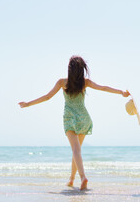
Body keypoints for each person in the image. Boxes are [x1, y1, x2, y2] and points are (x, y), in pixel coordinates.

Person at [18, 56, 130, 190]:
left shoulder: (62, 82)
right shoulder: (85, 82)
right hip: (83, 118)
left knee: (76, 150)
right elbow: (103, 88)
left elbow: (47, 97)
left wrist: (28, 104)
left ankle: (82, 177)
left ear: (69, 69)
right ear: (82, 69)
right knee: (77, 151)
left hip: (70, 118)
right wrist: (121, 92)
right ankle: (71, 179)